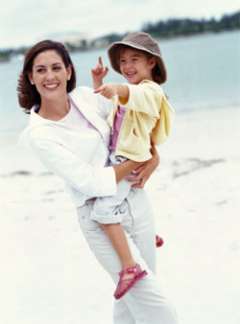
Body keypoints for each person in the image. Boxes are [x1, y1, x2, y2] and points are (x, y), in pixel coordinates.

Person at [18, 39, 178, 324]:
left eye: (56, 67)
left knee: (131, 305)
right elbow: (89, 182)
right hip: (99, 218)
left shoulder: (84, 97)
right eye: (40, 70)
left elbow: (129, 125)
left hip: (135, 201)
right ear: (31, 77)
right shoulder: (39, 134)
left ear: (69, 71)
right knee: (155, 306)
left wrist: (153, 156)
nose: (49, 76)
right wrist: (135, 161)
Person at [90, 32, 173, 299]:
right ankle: (149, 236)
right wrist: (99, 82)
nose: (127, 66)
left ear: (152, 62)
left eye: (135, 59)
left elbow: (135, 96)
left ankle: (129, 266)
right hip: (119, 157)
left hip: (127, 160)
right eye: (123, 60)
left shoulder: (150, 91)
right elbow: (105, 110)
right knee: (119, 203)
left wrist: (119, 89)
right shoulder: (132, 93)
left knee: (103, 212)